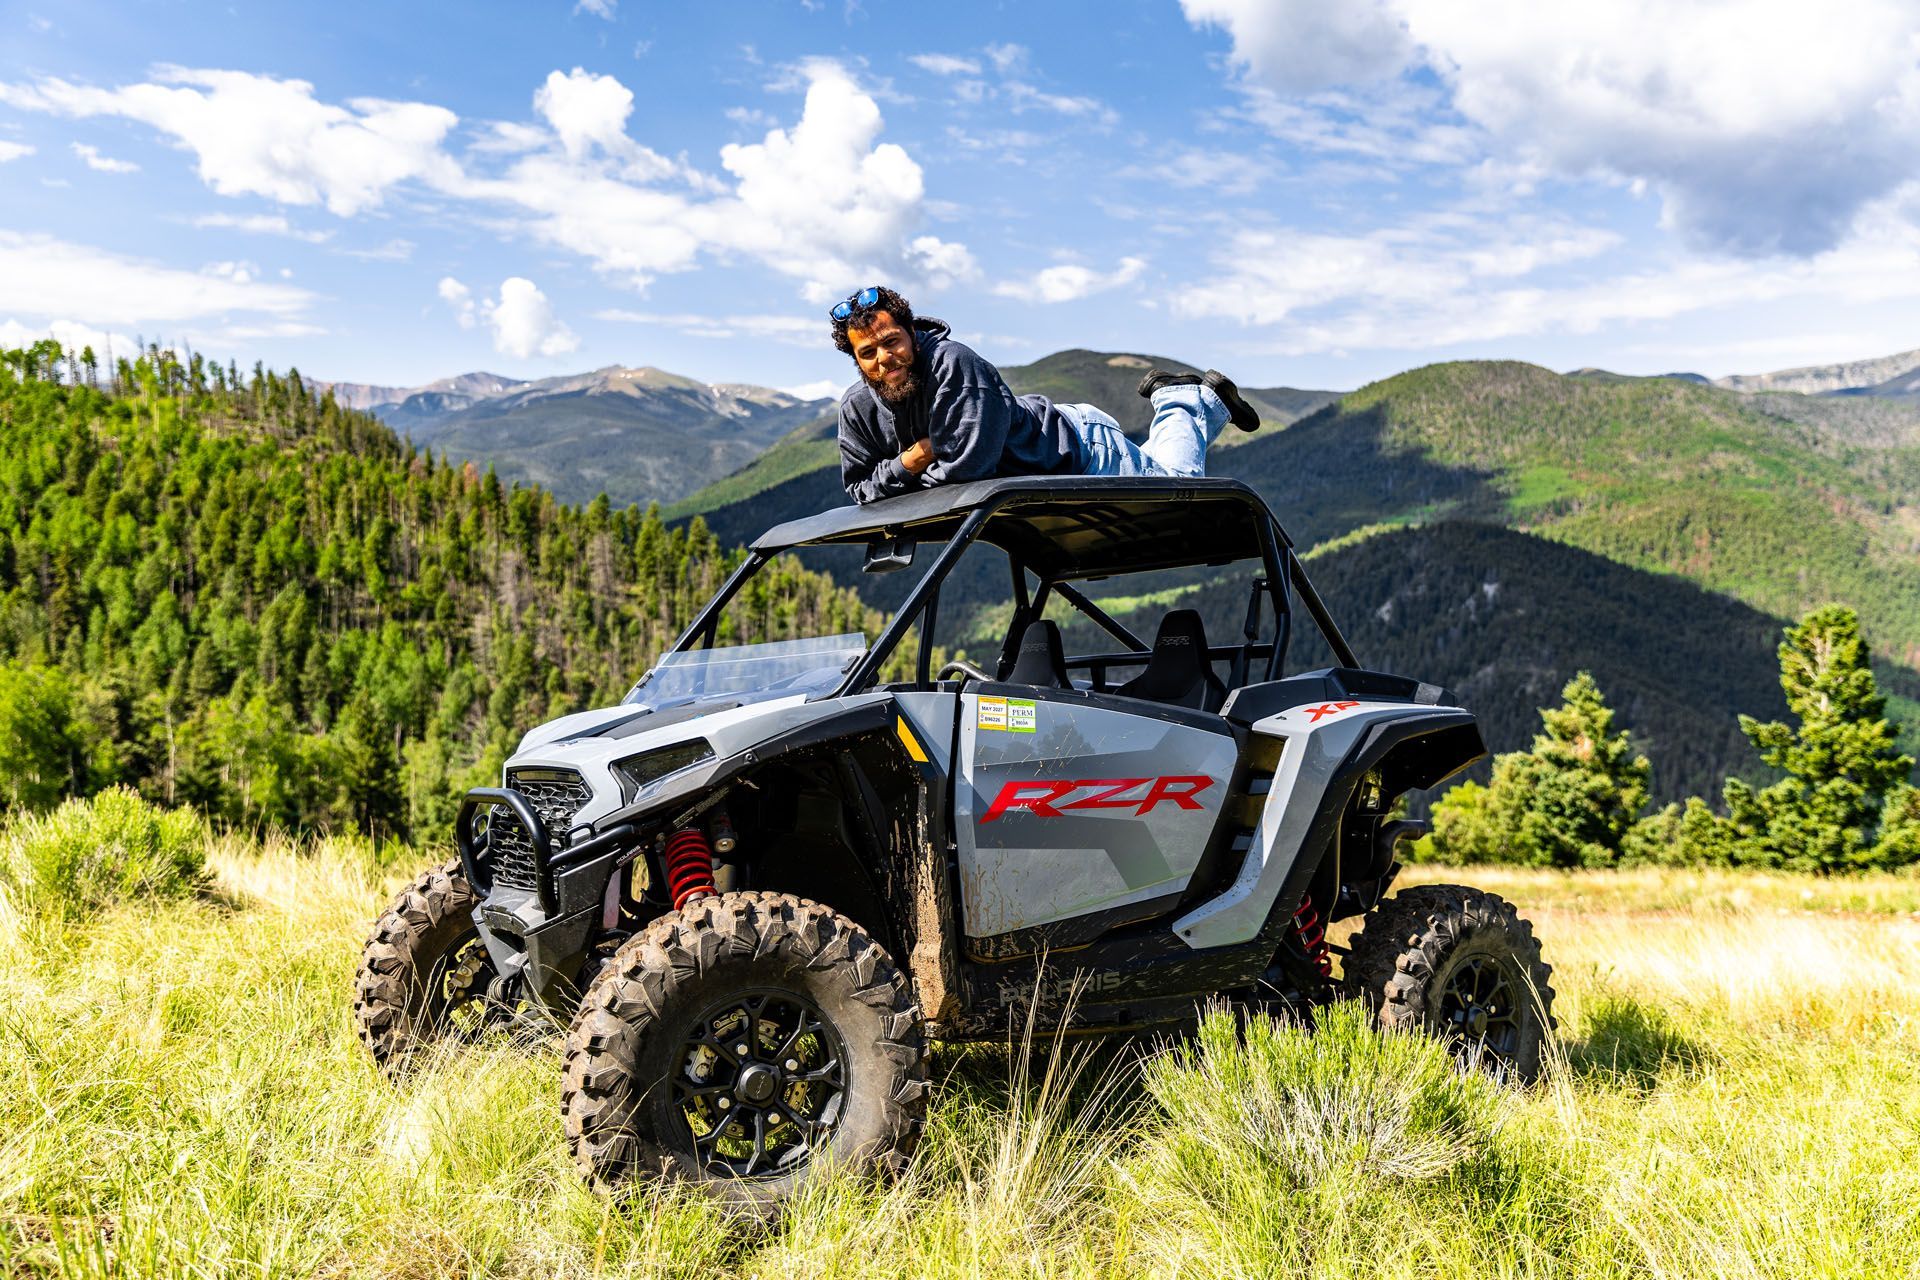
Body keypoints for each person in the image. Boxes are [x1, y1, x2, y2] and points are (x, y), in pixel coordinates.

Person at [830, 285, 1260, 505]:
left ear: (912, 335)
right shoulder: (857, 408)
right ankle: (1175, 399)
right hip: (1047, 471)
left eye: (892, 342)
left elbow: (969, 470)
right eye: (868, 352)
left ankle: (1182, 401)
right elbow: (858, 488)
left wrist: (896, 478)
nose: (884, 359)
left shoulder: (953, 365)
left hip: (1077, 449)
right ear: (855, 358)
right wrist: (914, 458)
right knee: (1162, 470)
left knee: (1180, 495)